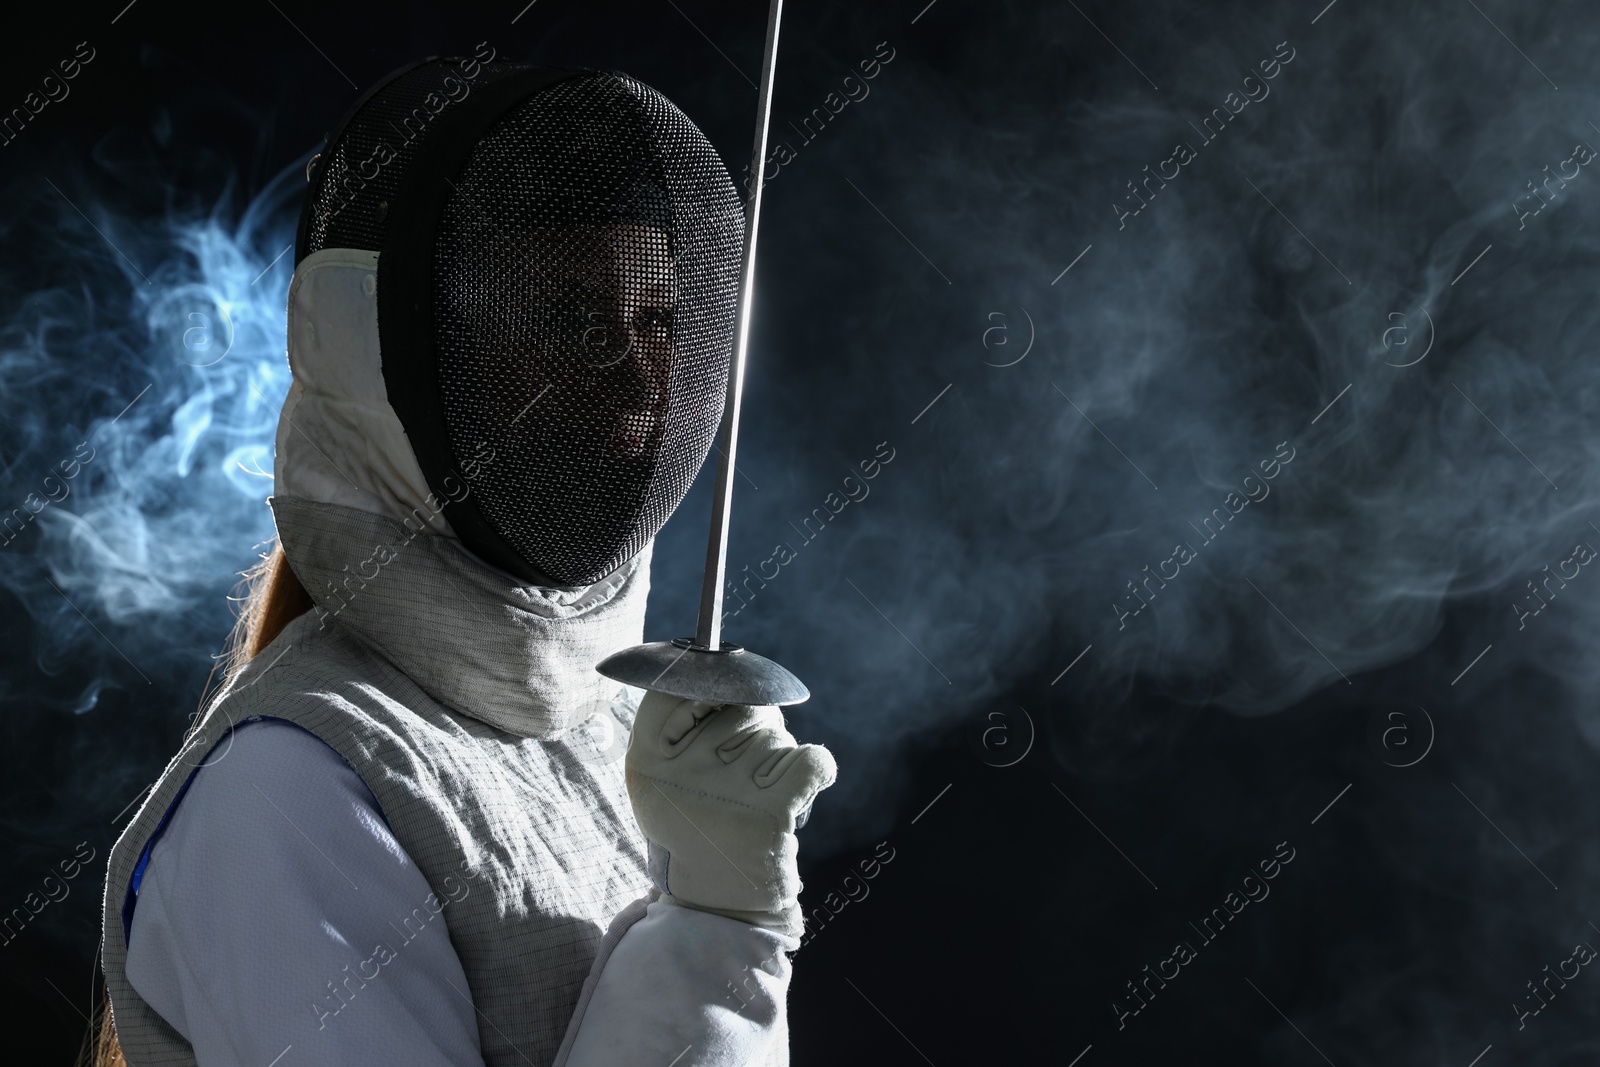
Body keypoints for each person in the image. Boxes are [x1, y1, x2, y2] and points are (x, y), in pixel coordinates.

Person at [95, 55, 836, 1067]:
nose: (637, 377)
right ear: (393, 362)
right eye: (568, 318)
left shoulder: (627, 731)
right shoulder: (283, 798)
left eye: (658, 319)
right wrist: (713, 931)